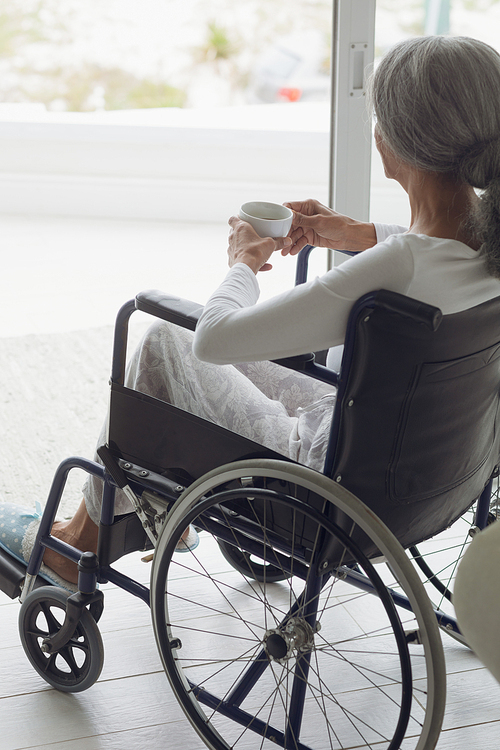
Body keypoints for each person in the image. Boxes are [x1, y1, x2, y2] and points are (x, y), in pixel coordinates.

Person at [2, 34, 500, 588]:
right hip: (429, 479)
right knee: (225, 360)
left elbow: (215, 338)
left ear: (399, 141)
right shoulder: (484, 245)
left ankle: (75, 547)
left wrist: (241, 264)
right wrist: (358, 233)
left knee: (164, 340)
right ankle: (137, 507)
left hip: (327, 490)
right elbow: (431, 257)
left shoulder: (394, 267)